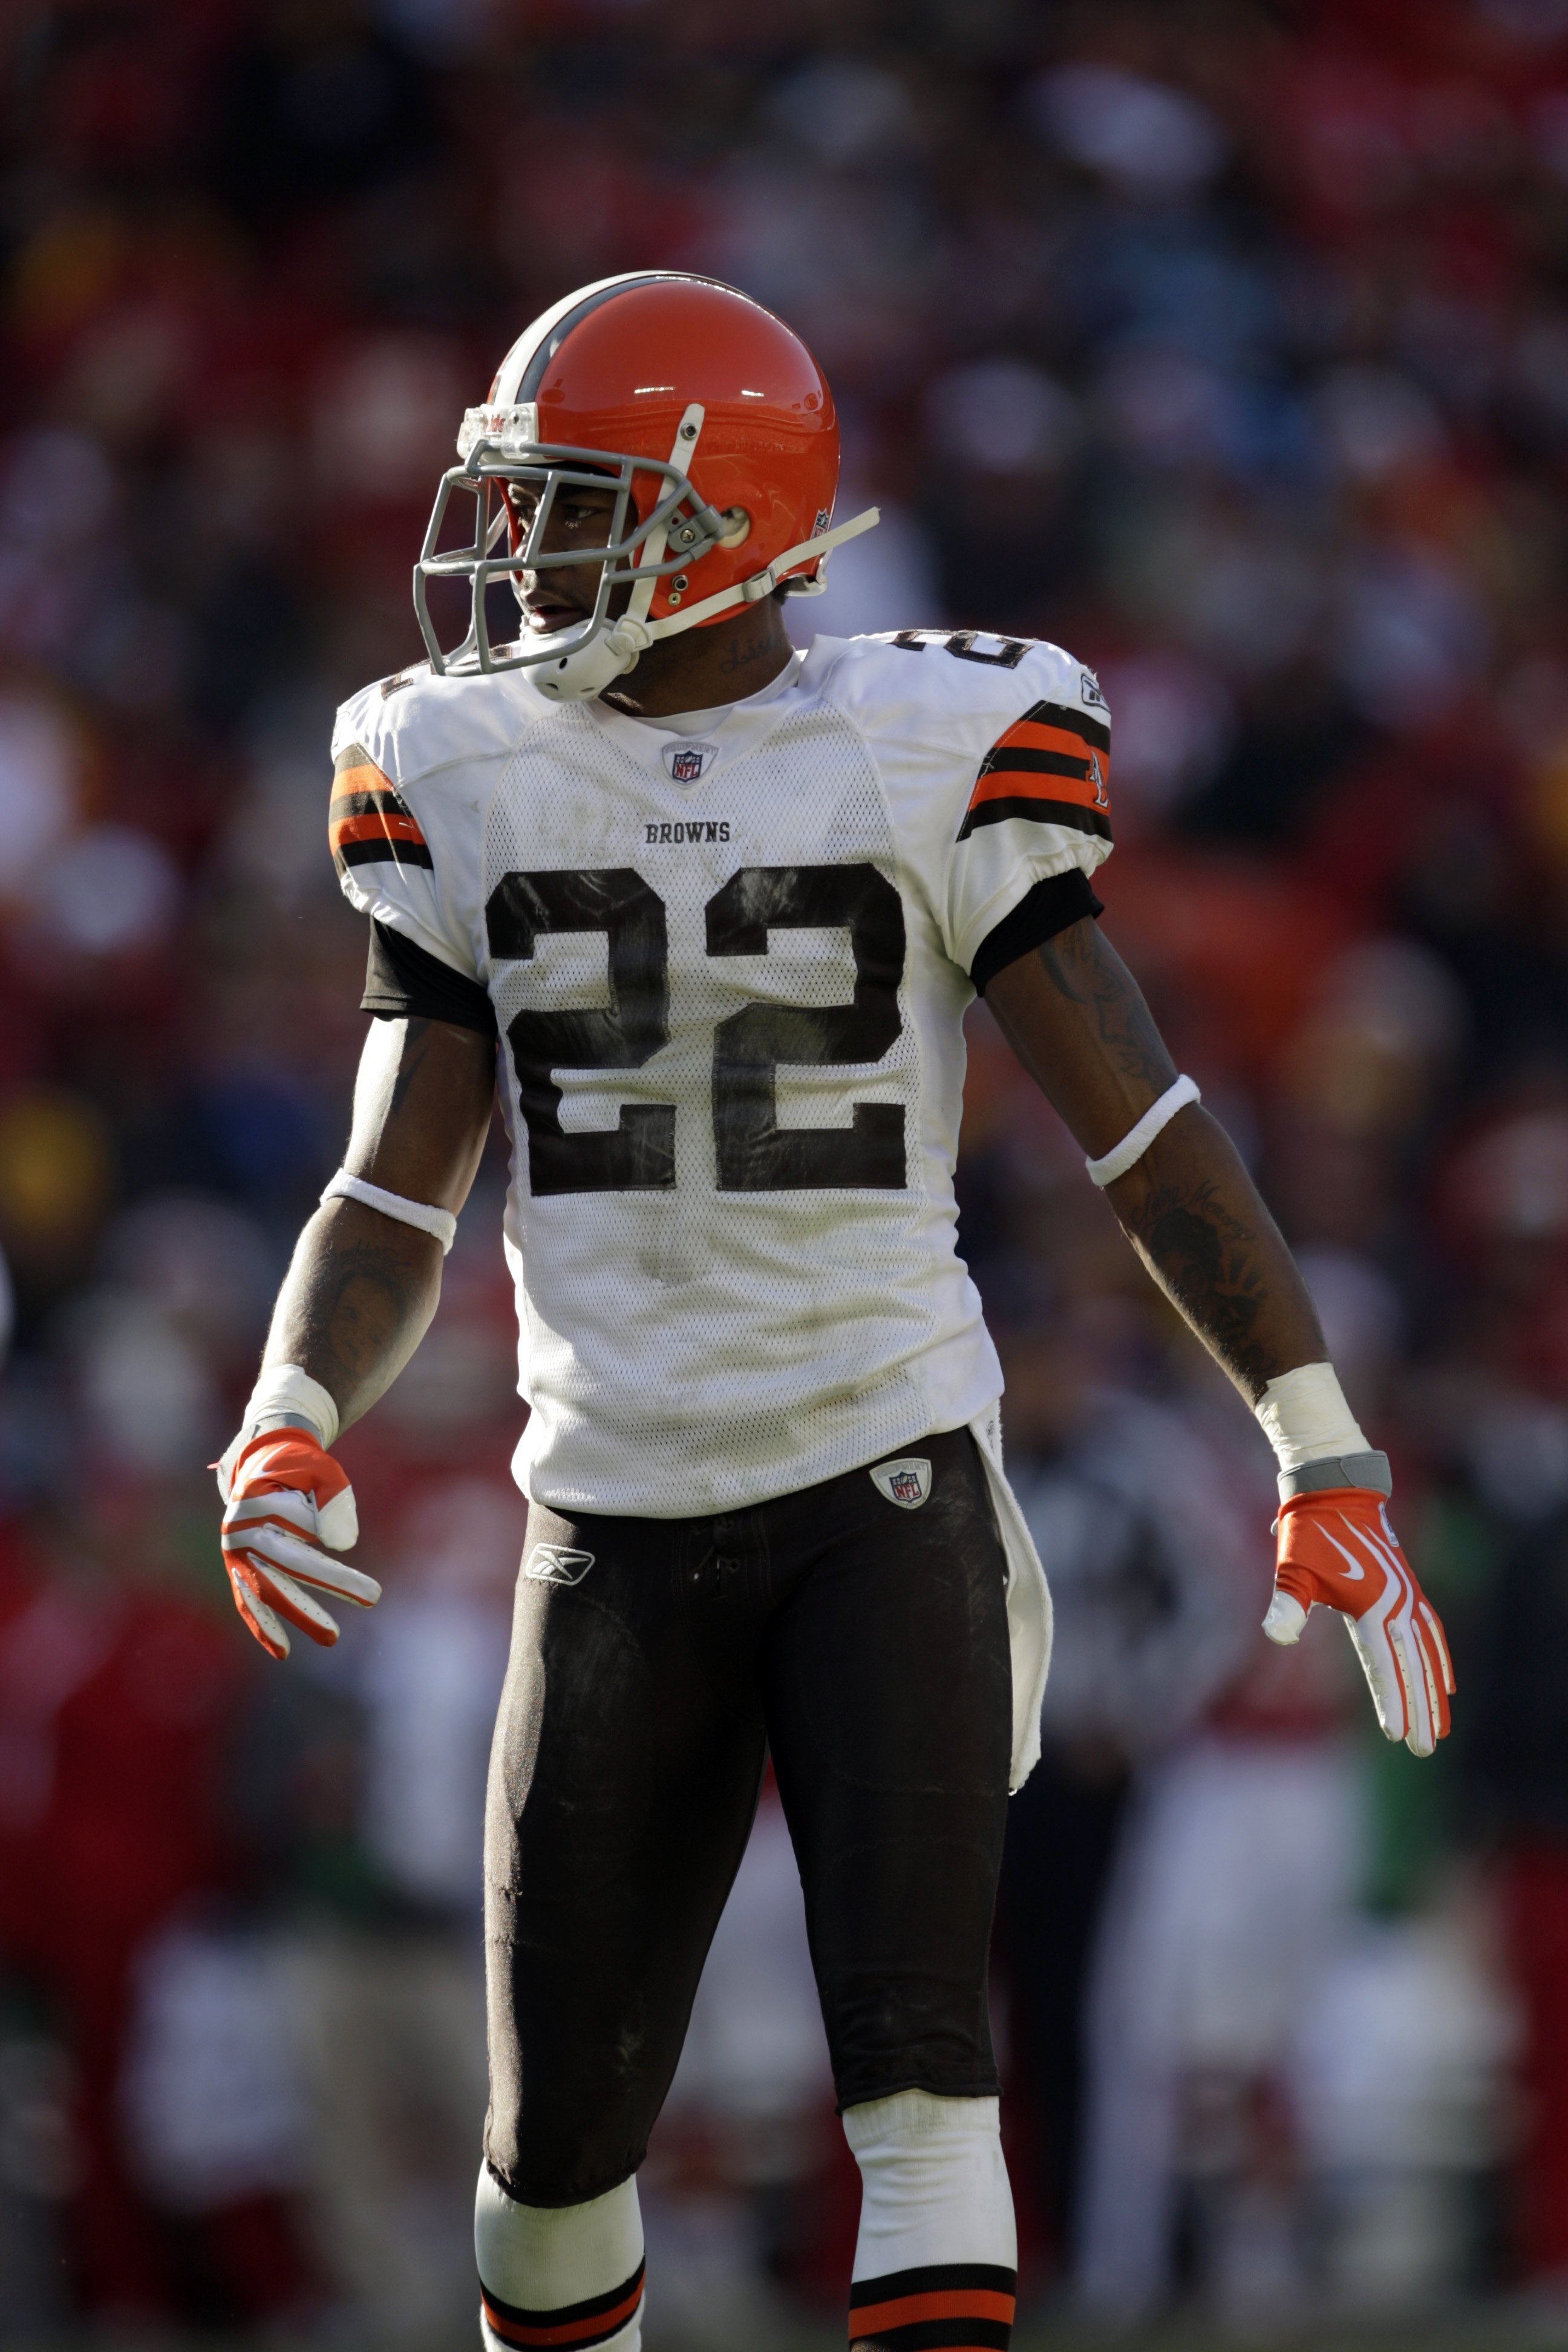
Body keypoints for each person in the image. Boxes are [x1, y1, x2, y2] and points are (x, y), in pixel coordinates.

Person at [212, 272, 1454, 2352]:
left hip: (883, 1468)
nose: (523, 555)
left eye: (580, 505)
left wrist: (1316, 1437)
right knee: (549, 2172)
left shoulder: (923, 744)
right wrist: (285, 1405)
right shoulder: (460, 765)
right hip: (607, 1503)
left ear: (726, 522)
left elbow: (1137, 1124)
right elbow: (388, 1182)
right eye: (523, 506)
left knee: (920, 2078)